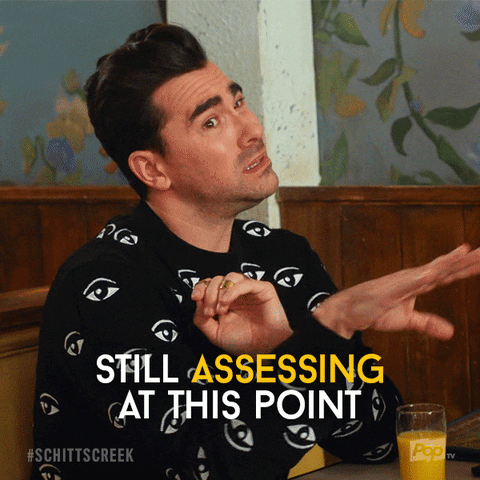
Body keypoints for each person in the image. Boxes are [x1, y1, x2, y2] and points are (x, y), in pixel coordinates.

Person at [31, 23, 480, 480]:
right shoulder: (103, 283)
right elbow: (200, 469)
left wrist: (285, 345)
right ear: (152, 169)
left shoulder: (282, 256)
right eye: (211, 121)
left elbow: (376, 440)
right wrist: (332, 324)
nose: (253, 130)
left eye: (239, 102)